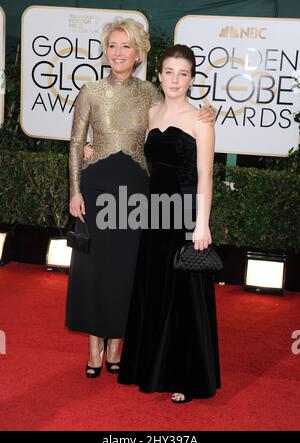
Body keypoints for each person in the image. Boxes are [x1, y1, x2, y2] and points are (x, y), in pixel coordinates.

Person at [66, 17, 215, 379]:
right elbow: (74, 143)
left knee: (125, 272)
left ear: (138, 54)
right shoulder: (90, 91)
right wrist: (74, 190)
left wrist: (207, 110)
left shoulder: (150, 92)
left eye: (126, 46)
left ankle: (117, 346)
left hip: (137, 196)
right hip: (97, 188)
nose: (118, 53)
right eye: (112, 46)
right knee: (93, 271)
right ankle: (94, 348)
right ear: (105, 51)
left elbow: (176, 122)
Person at [117, 44, 221, 403]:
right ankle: (150, 367)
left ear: (192, 79)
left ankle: (184, 376)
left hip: (185, 212)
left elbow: (206, 175)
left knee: (183, 295)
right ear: (159, 75)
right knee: (153, 287)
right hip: (153, 212)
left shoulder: (201, 119)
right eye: (169, 72)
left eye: (183, 73)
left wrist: (201, 224)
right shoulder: (150, 112)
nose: (175, 79)